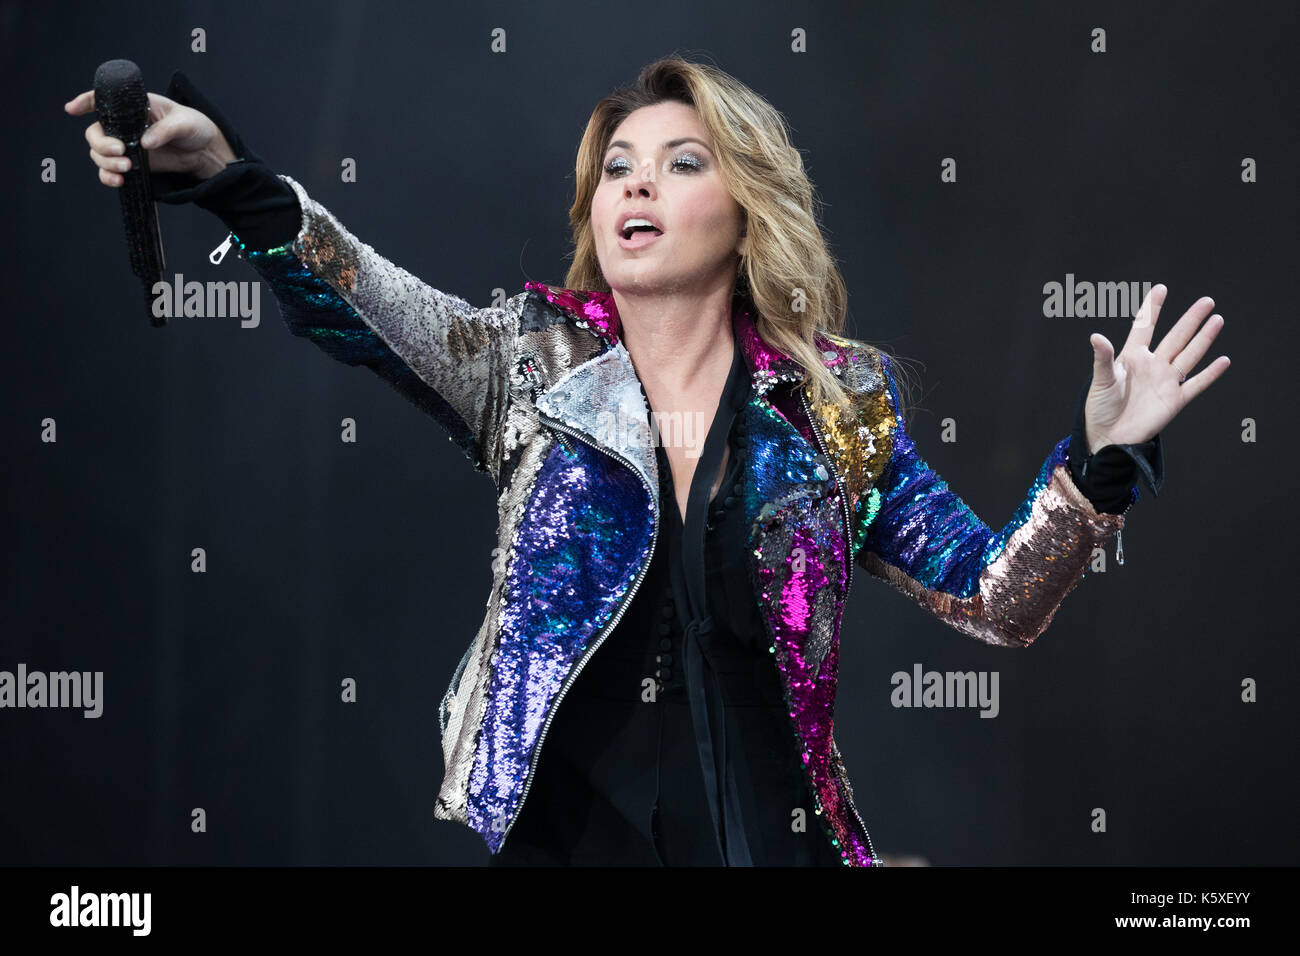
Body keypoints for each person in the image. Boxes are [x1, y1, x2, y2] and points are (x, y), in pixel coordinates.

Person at [66, 56, 1228, 867]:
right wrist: (227, 168)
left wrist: (1100, 463)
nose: (636, 183)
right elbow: (361, 293)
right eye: (619, 163)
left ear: (746, 206)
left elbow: (995, 599)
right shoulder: (527, 366)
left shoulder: (835, 408)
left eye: (680, 163)